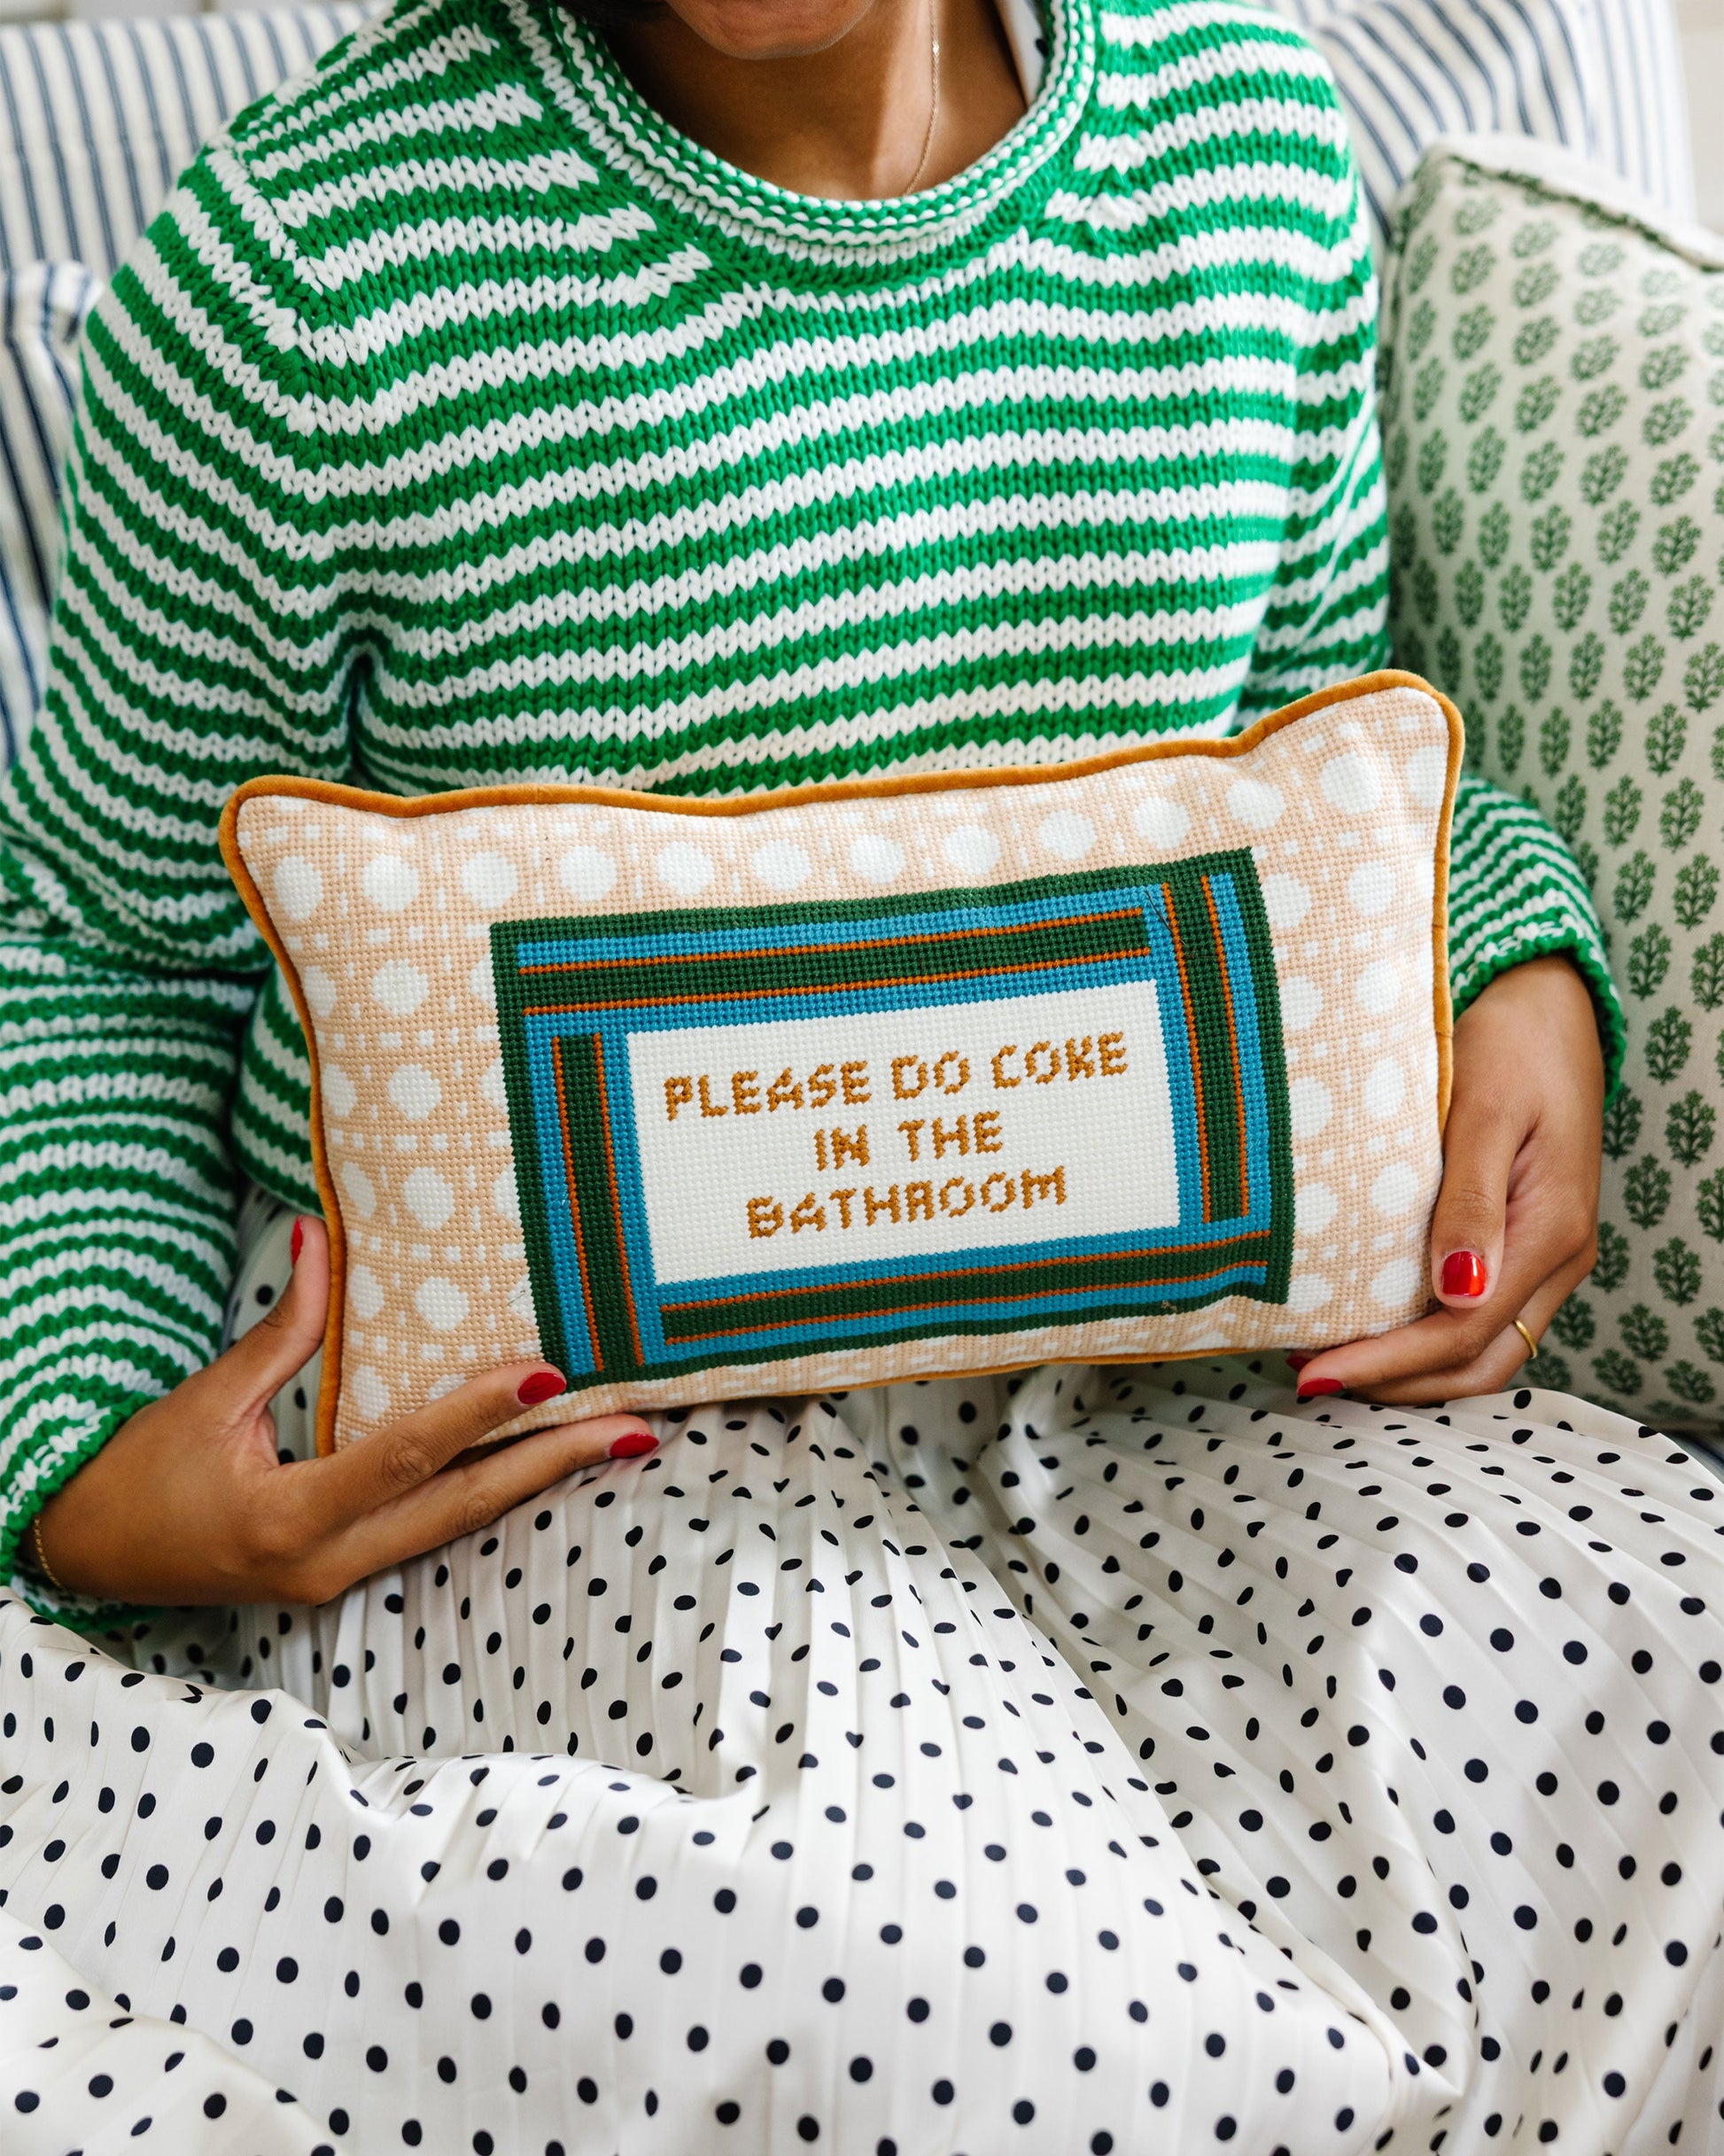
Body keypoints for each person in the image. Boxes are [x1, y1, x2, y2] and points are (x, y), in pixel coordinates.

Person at [0, 0, 1716, 2145]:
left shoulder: (1248, 151)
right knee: (973, 2010)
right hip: (566, 1445)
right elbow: (100, 947)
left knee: (1669, 1687)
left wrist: (1504, 952)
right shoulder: (293, 280)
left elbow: (1317, 741)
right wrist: (83, 1446)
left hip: (1161, 1366)